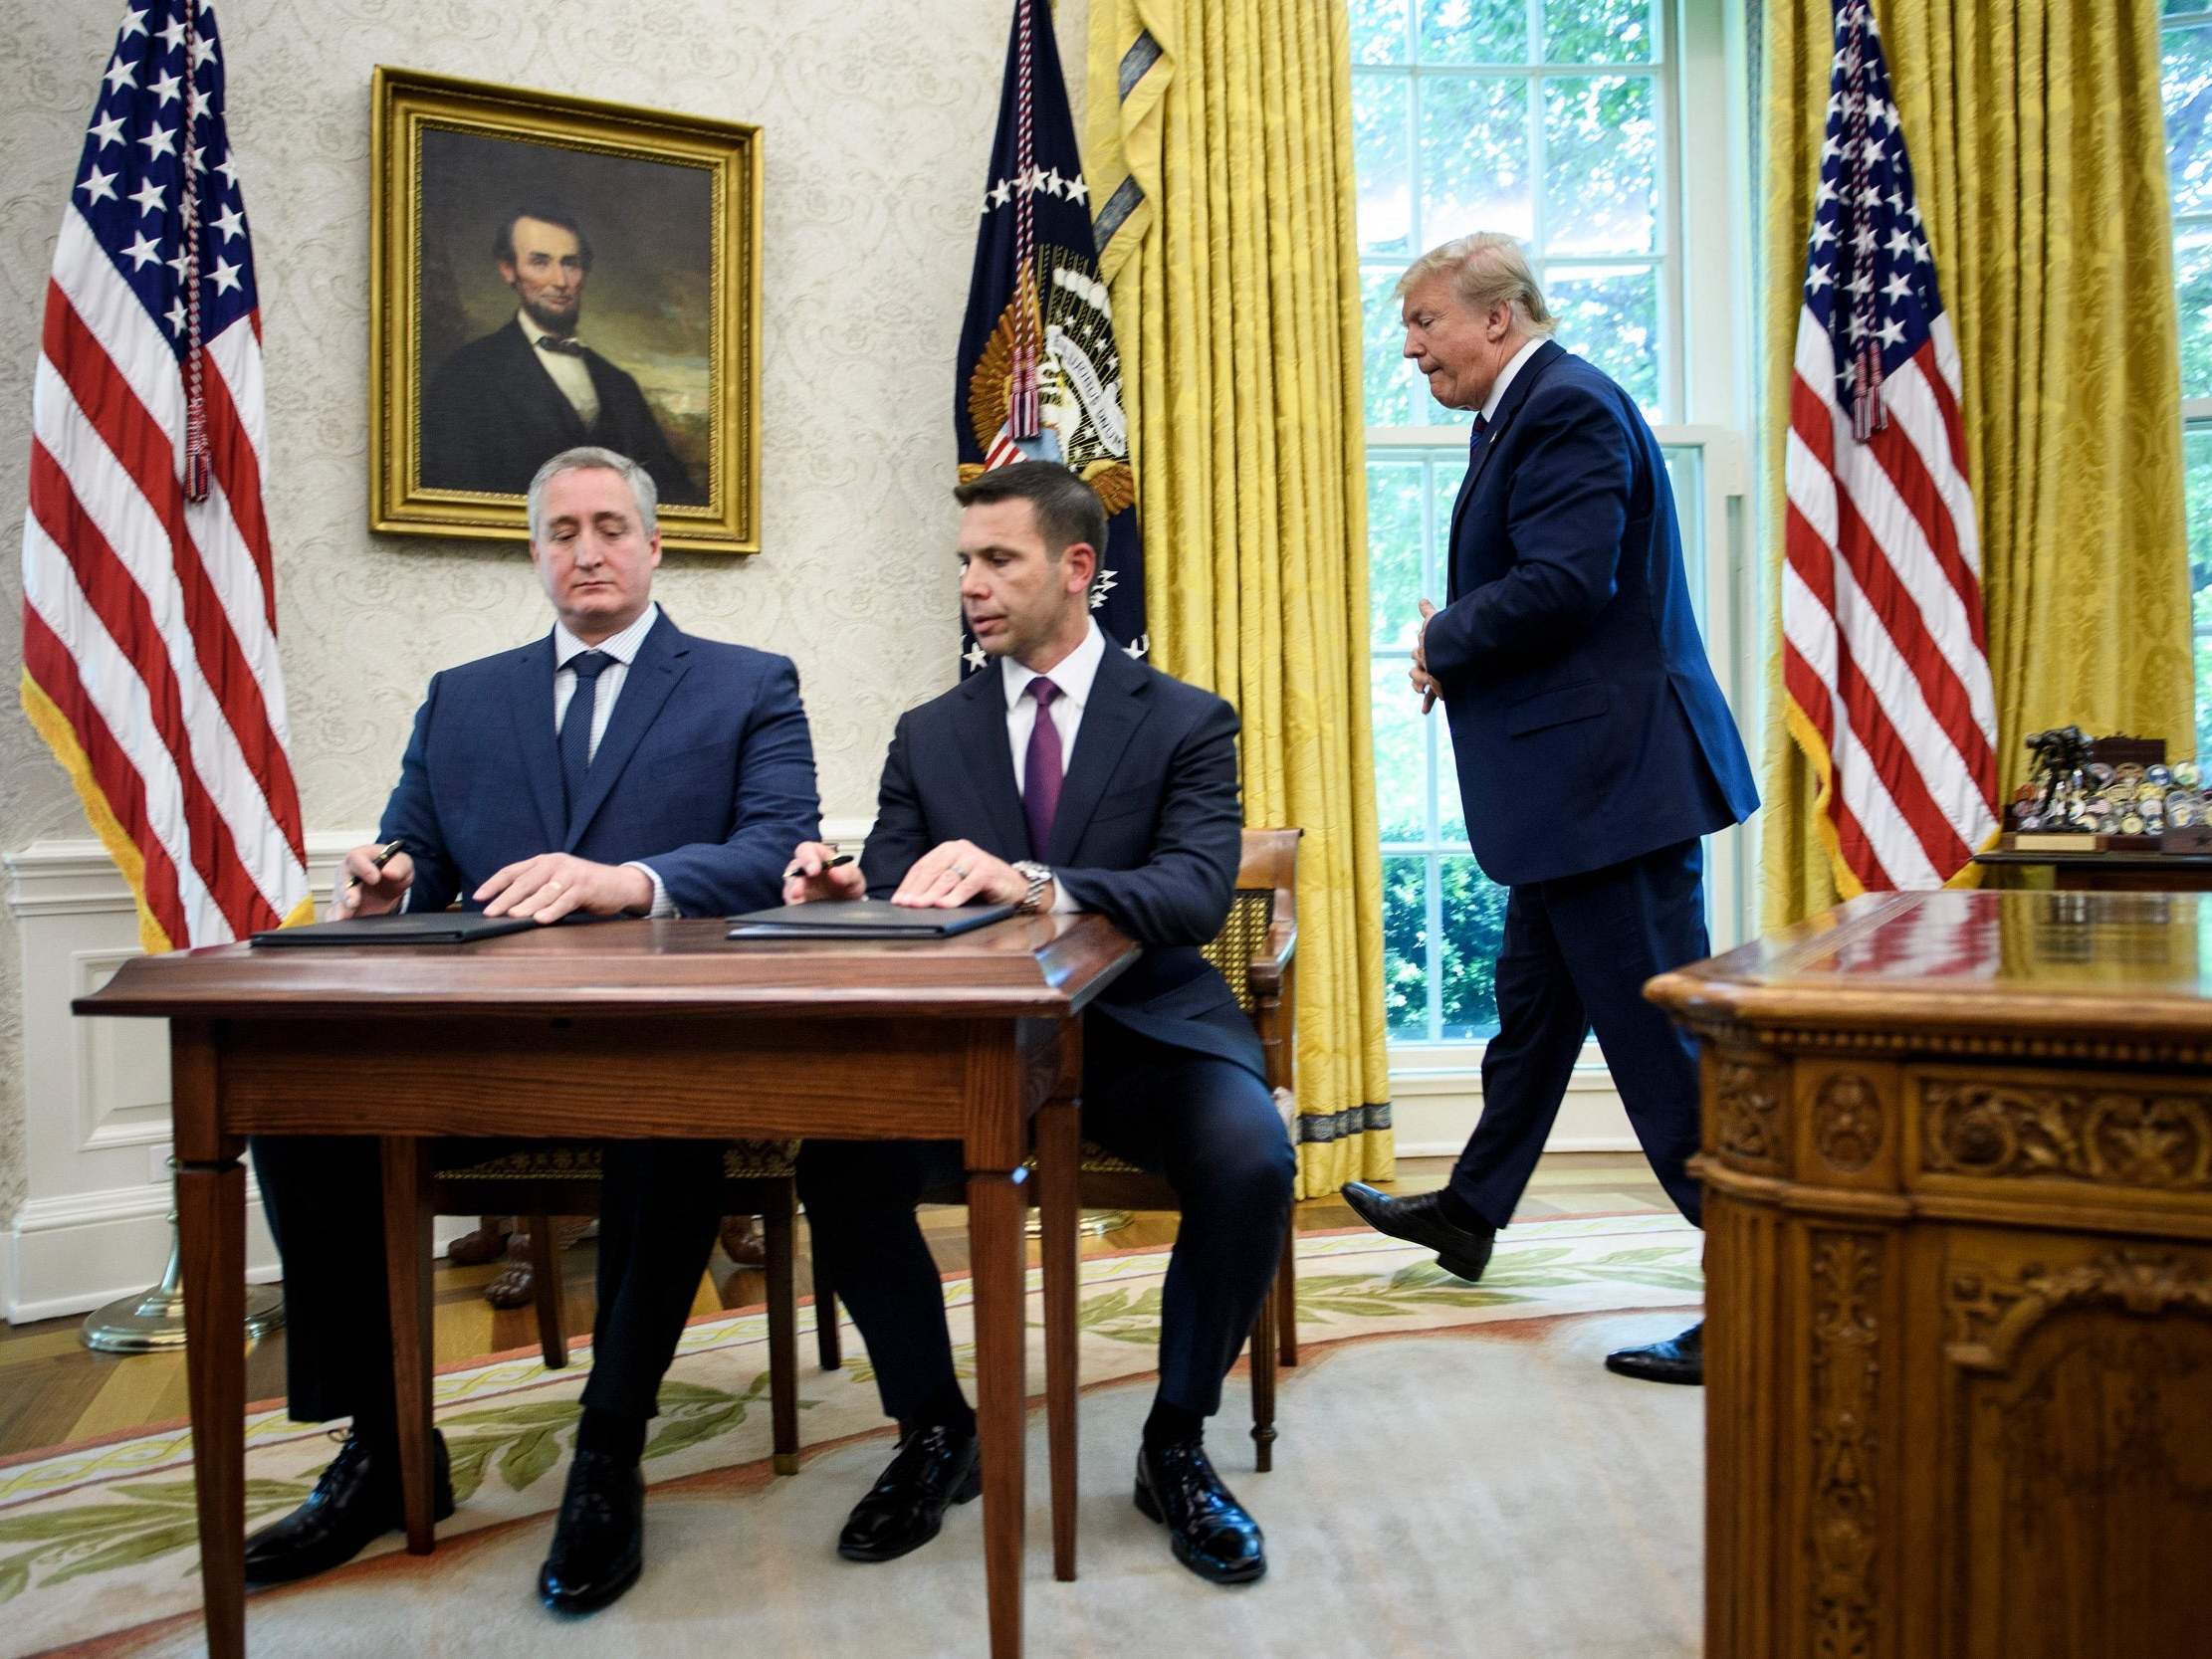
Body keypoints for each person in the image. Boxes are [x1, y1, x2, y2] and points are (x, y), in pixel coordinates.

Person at [244, 446, 818, 1612]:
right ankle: (387, 1442)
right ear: (534, 553)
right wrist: (385, 879)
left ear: (656, 546)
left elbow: (774, 848)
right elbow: (415, 848)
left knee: (667, 1122)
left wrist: (629, 880)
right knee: (293, 1112)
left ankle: (609, 1442)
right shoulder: (465, 694)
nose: (587, 549)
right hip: (488, 1047)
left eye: (610, 526)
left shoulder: (747, 682)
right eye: (562, 532)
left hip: (664, 1044)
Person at [786, 461, 1293, 1584]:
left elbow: (1195, 890)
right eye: (964, 560)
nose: (970, 582)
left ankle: (1174, 1442)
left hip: (1148, 1031)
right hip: (976, 1050)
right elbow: (892, 873)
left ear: (1075, 568)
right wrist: (848, 891)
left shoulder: (1185, 720)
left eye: (996, 559)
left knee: (1253, 1156)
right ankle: (934, 1427)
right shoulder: (929, 731)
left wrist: (1029, 880)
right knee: (837, 1165)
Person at [1340, 234, 1758, 1386]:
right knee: (1530, 1013)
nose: (1409, 343)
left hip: (1608, 790)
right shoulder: (1527, 410)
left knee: (1660, 1054)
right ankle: (1471, 1209)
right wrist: (1461, 643)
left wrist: (1439, 638)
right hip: (1577, 792)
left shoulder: (1565, 403)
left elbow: (1567, 581)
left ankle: (1757, 1291)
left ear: (1501, 314)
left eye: (1424, 320)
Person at [418, 206, 702, 505]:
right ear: (508, 270)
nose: (561, 281)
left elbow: (672, 493)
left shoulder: (619, 384)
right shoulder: (466, 374)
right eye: (540, 262)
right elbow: (452, 495)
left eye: (571, 264)